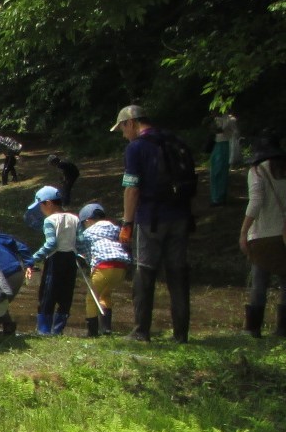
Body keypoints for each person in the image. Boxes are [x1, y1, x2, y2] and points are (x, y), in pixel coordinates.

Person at [115, 105, 196, 343]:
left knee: (144, 272)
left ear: (130, 122)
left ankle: (141, 331)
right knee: (178, 273)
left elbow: (131, 188)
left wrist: (127, 223)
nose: (123, 134)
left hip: (151, 217)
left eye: (122, 128)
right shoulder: (175, 142)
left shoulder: (136, 147)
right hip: (180, 216)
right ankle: (181, 334)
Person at [239, 135, 286, 338]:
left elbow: (256, 202)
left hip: (262, 235)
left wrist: (243, 231)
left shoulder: (257, 171)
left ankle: (253, 328)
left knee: (259, 282)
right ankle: (283, 329)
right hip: (283, 235)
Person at [25, 186, 80, 336]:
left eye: (41, 206)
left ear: (48, 203)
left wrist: (32, 259)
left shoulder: (49, 220)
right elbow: (79, 240)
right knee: (66, 295)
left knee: (47, 294)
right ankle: (58, 330)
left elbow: (51, 244)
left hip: (55, 259)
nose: (41, 210)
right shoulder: (74, 218)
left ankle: (43, 329)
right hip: (71, 259)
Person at [78, 203, 130, 336]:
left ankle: (92, 331)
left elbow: (83, 249)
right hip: (121, 268)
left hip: (103, 268)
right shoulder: (115, 229)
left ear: (88, 220)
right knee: (105, 295)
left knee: (91, 298)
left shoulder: (88, 233)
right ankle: (106, 328)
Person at [209, 110, 241, 206]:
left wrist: (227, 133)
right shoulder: (216, 120)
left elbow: (236, 132)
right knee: (214, 172)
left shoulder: (230, 119)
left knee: (221, 171)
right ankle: (215, 198)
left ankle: (221, 198)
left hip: (225, 145)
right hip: (217, 145)